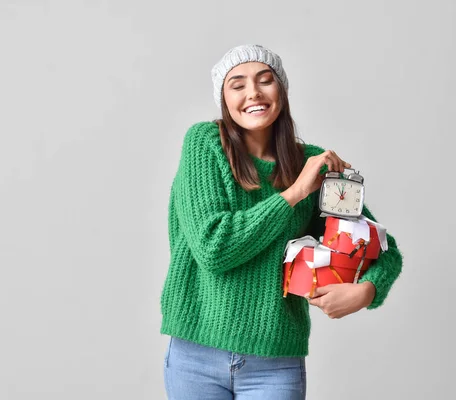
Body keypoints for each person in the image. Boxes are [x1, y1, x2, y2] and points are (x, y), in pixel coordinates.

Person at [160, 44, 403, 400]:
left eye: (265, 80)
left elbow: (382, 248)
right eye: (237, 84)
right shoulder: (204, 145)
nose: (253, 93)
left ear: (282, 91)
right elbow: (214, 247)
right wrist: (296, 192)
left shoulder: (309, 161)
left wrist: (367, 291)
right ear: (223, 99)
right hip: (196, 356)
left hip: (275, 363)